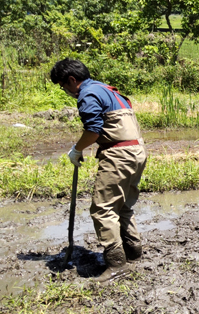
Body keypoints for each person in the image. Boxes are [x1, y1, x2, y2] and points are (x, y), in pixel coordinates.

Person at [49, 58, 147, 270]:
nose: (65, 90)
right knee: (123, 206)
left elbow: (93, 130)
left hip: (118, 155)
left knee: (103, 209)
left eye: (63, 85)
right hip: (137, 151)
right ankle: (134, 254)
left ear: (72, 80)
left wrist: (77, 149)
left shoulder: (87, 94)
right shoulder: (107, 89)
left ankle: (116, 266)